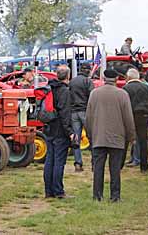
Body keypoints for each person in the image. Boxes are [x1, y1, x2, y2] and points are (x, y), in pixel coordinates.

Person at [86, 69, 135, 202]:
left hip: (98, 137)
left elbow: (88, 117)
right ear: (117, 78)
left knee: (98, 169)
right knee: (115, 169)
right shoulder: (122, 94)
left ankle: (97, 196)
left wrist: (91, 135)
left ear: (103, 77)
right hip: (117, 137)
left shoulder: (94, 94)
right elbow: (128, 118)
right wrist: (131, 137)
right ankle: (115, 196)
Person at [43, 65, 74, 199]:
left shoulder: (50, 89)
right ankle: (58, 191)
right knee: (59, 162)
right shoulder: (64, 91)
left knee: (49, 160)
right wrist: (70, 132)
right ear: (68, 76)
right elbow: (65, 114)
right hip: (60, 130)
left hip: (49, 128)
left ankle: (48, 191)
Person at [123, 69, 148, 173]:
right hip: (143, 116)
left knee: (126, 140)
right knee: (143, 141)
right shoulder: (146, 87)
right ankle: (144, 166)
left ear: (129, 77)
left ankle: (120, 164)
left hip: (130, 115)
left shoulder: (126, 88)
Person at [68, 63, 94, 172]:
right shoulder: (88, 81)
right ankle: (94, 163)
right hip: (85, 111)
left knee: (76, 139)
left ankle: (78, 163)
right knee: (92, 137)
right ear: (88, 71)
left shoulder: (72, 81)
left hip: (74, 112)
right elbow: (92, 97)